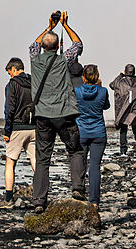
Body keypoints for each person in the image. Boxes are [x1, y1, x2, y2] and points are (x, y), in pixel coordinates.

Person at [29, 12, 86, 207]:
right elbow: (78, 45)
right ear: (56, 47)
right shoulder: (64, 60)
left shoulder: (35, 60)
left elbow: (34, 45)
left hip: (43, 116)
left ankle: (39, 200)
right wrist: (66, 25)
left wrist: (50, 27)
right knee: (75, 151)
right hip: (64, 114)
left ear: (44, 46)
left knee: (43, 159)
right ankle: (78, 188)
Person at [75, 64, 112, 206]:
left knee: (80, 165)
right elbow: (106, 106)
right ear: (97, 77)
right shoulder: (103, 91)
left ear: (83, 77)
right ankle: (94, 201)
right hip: (98, 132)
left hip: (82, 132)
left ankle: (79, 193)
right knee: (95, 166)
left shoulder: (77, 91)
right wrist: (100, 87)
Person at [2, 57, 37, 198]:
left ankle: (9, 197)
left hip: (17, 127)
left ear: (15, 69)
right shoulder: (34, 82)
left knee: (10, 162)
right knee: (35, 160)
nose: (10, 75)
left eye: (10, 71)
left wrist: (7, 130)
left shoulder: (12, 84)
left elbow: (9, 109)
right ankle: (41, 192)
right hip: (33, 127)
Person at [111, 63, 136, 156]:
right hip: (134, 110)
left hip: (124, 109)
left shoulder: (121, 82)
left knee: (123, 130)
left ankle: (123, 151)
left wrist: (120, 75)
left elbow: (112, 85)